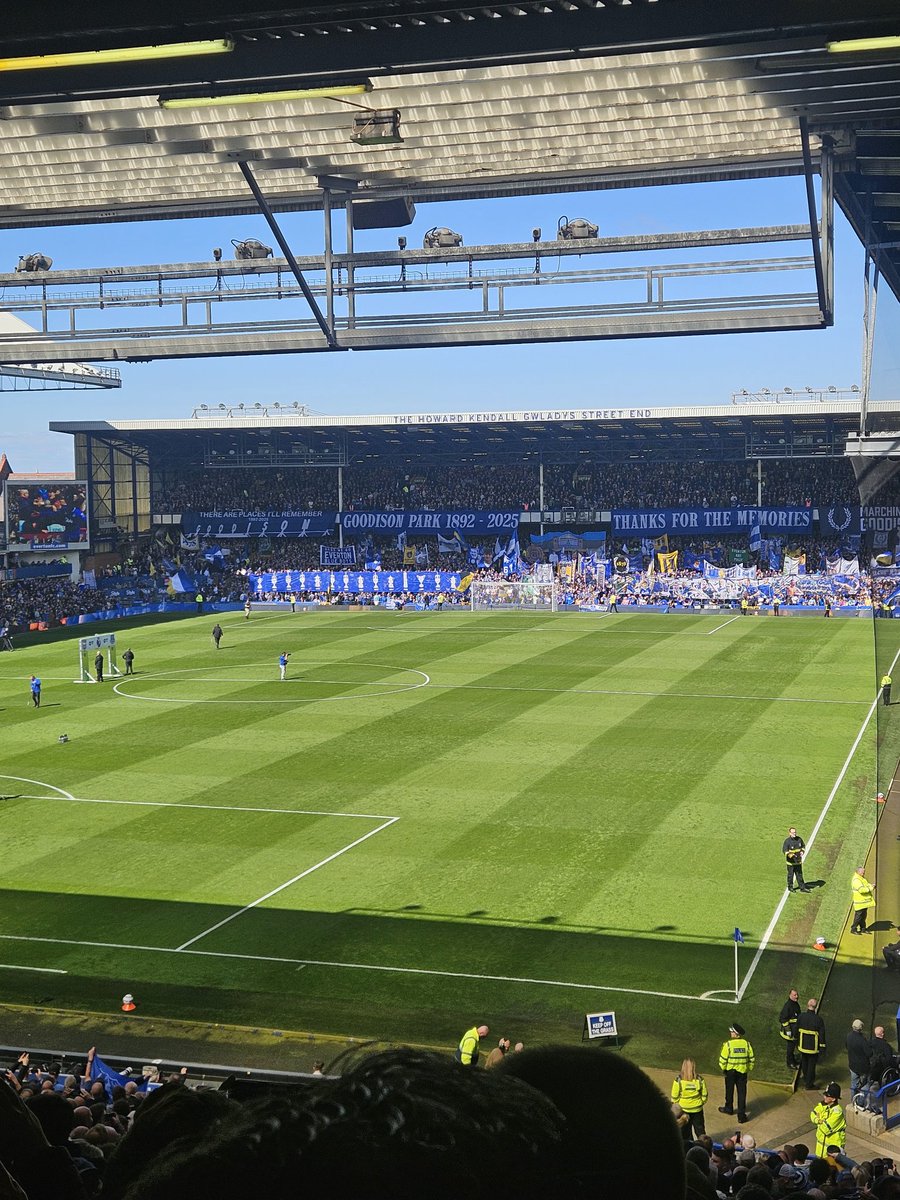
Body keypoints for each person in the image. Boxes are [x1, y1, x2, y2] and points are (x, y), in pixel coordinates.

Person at [717, 1023, 754, 1123]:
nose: (730, 1033)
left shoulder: (728, 1045)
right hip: (742, 1072)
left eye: (732, 1032)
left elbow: (723, 1060)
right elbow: (751, 1059)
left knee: (729, 1090)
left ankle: (729, 1108)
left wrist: (724, 1068)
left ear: (736, 1034)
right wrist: (748, 1068)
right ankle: (741, 1115)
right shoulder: (747, 1044)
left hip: (730, 1072)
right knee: (742, 1093)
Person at [671, 1057, 708, 1139]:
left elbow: (674, 1097)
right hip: (697, 1110)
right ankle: (703, 1147)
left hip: (684, 1111)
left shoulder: (678, 1080)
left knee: (685, 1133)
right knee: (700, 1131)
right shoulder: (700, 1079)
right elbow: (704, 1095)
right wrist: (700, 1102)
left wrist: (680, 1105)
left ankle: (688, 1148)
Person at [795, 998, 826, 1090]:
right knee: (811, 1066)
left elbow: (796, 1030)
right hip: (813, 1047)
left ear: (807, 1005)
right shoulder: (818, 1019)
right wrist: (822, 1048)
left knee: (804, 1062)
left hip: (802, 1045)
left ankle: (805, 1078)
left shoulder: (801, 1016)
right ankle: (809, 1084)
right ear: (815, 1007)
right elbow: (822, 1035)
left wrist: (796, 1042)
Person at [810, 1083, 846, 1157]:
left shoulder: (837, 1112)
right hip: (820, 1150)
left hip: (832, 1152)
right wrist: (818, 1120)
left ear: (833, 1098)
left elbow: (825, 1129)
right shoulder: (823, 1105)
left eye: (827, 1095)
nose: (824, 1097)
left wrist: (820, 1120)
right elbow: (813, 1114)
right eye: (825, 1094)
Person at [846, 1019, 871, 1098]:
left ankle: (853, 1101)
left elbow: (846, 1046)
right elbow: (869, 1053)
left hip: (852, 1065)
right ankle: (861, 1102)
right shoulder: (862, 1040)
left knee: (853, 1084)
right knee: (865, 1084)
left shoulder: (848, 1036)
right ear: (861, 1028)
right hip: (863, 1067)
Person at [779, 988, 801, 1070]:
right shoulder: (788, 1006)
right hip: (789, 1032)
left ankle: (793, 1060)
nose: (797, 996)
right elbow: (783, 1019)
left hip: (794, 1030)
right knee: (790, 1048)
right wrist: (788, 1030)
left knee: (792, 1047)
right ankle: (790, 1063)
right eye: (794, 995)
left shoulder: (795, 1004)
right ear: (790, 995)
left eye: (797, 994)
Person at [783, 827, 811, 893]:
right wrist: (791, 855)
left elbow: (803, 846)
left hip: (798, 862)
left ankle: (802, 887)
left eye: (795, 832)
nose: (794, 833)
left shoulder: (799, 839)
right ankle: (790, 887)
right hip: (791, 863)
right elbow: (785, 851)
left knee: (799, 875)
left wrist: (802, 851)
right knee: (790, 876)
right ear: (789, 833)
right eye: (793, 832)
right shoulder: (787, 842)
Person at [851, 866, 875, 933]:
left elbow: (866, 884)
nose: (863, 874)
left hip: (864, 902)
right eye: (862, 873)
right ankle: (853, 929)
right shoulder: (856, 880)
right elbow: (862, 890)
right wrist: (871, 888)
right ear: (858, 872)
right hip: (859, 902)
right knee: (858, 917)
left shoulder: (861, 878)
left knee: (863, 916)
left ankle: (863, 929)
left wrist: (871, 885)